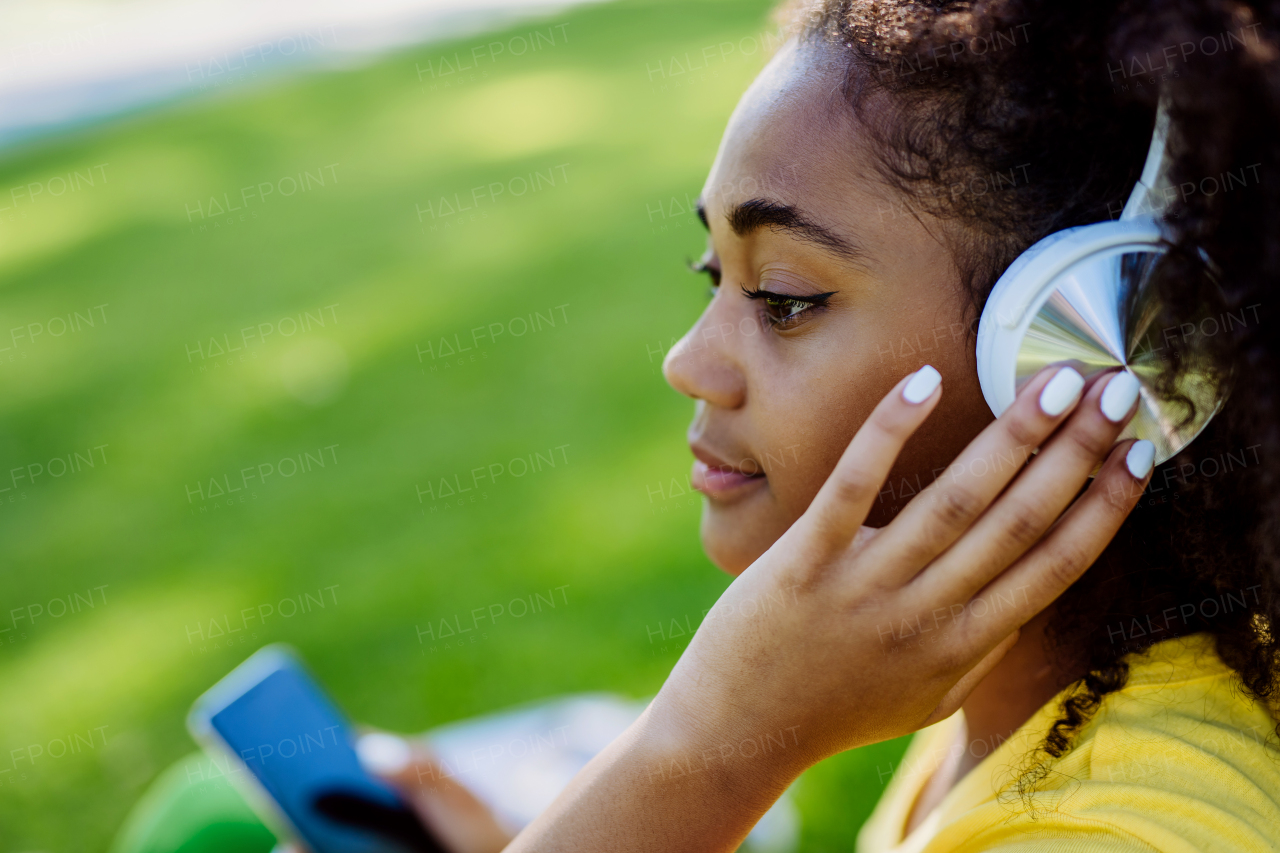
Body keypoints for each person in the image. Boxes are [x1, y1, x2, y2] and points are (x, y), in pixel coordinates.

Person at [116, 0, 1280, 850]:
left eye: (783, 298)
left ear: (1104, 353)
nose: (689, 361)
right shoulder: (1024, 687)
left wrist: (708, 748)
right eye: (707, 271)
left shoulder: (1121, 829)